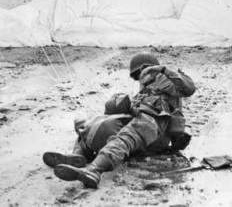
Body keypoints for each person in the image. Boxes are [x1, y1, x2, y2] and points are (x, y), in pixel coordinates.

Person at [49, 53, 196, 188]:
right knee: (90, 125)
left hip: (156, 126)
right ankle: (80, 156)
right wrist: (123, 106)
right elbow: (137, 110)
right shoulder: (146, 91)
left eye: (141, 73)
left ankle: (94, 170)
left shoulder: (168, 82)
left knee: (126, 137)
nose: (140, 78)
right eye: (137, 76)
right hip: (143, 122)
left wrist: (162, 70)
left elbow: (189, 88)